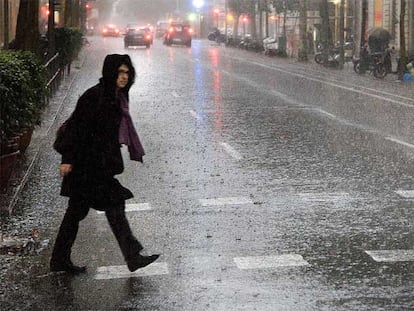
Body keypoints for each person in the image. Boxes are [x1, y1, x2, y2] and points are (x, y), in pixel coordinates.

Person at [50, 54, 159, 274]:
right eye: (119, 72)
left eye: (127, 73)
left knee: (77, 212)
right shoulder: (96, 97)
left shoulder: (115, 97)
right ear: (110, 72)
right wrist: (67, 159)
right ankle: (132, 256)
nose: (124, 77)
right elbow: (75, 128)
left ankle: (60, 260)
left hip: (96, 167)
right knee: (111, 205)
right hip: (86, 168)